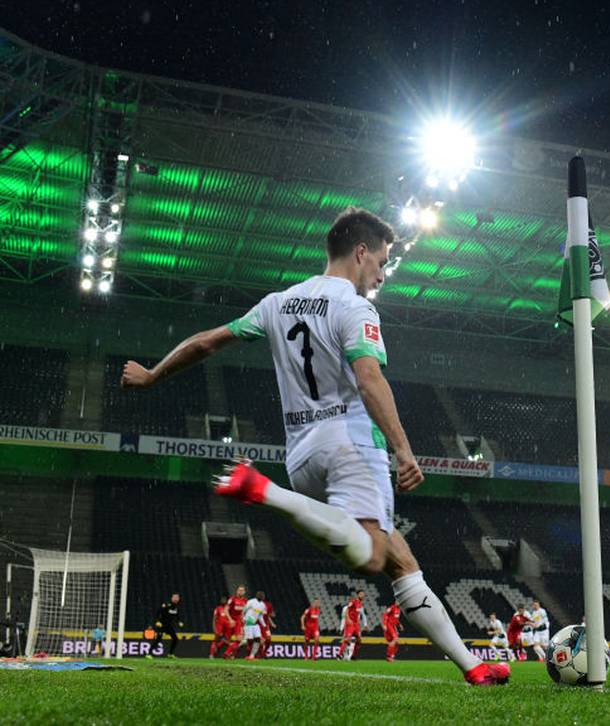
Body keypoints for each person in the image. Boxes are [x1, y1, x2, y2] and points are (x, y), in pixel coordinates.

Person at [120, 207, 508, 686]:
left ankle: (473, 667)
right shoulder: (355, 308)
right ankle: (265, 492)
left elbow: (207, 342)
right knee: (371, 555)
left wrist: (153, 375)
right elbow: (369, 379)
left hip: (302, 454)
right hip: (351, 446)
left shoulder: (277, 303)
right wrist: (404, 449)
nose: (382, 274)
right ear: (360, 252)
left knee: (400, 560)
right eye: (381, 262)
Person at [149, 593, 182, 658]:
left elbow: (177, 616)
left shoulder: (177, 607)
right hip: (162, 625)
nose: (176, 599)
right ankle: (149, 653)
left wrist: (179, 621)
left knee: (175, 639)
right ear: (172, 598)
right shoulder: (167, 604)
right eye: (174, 597)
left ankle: (170, 654)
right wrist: (157, 621)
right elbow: (158, 612)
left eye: (177, 598)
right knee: (158, 639)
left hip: (169, 626)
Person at [339, 590, 367, 661]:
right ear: (358, 595)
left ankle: (353, 656)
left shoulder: (360, 604)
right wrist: (348, 619)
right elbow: (347, 610)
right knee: (347, 638)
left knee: (359, 640)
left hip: (356, 624)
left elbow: (360, 614)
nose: (362, 595)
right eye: (361, 594)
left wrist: (363, 624)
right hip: (351, 623)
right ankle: (339, 654)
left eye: (363, 594)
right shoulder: (353, 601)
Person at [242, 591, 269, 660]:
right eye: (260, 595)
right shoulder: (251, 601)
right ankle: (234, 651)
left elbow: (260, 616)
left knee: (258, 639)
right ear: (256, 596)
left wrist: (264, 625)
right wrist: (243, 618)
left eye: (262, 595)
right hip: (248, 622)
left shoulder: (263, 605)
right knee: (249, 640)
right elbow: (244, 610)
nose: (261, 596)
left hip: (255, 623)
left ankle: (252, 656)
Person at [224, 586, 248, 659]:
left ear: (244, 592)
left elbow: (246, 612)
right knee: (227, 639)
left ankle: (228, 653)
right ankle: (229, 653)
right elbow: (226, 609)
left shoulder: (246, 601)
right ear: (237, 591)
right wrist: (230, 619)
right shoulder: (232, 599)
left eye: (242, 590)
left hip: (239, 622)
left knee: (240, 639)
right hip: (231, 621)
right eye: (239, 590)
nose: (240, 592)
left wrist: (245, 619)